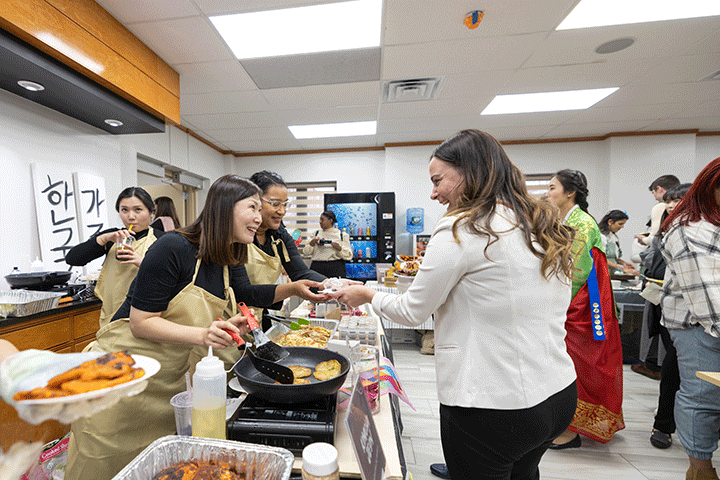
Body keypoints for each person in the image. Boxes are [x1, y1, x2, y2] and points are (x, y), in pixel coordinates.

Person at [332, 130, 578, 480]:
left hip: (493, 404)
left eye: (438, 180)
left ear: (471, 172)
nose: (433, 193)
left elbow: (412, 310)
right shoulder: (538, 223)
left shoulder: (462, 228)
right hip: (557, 393)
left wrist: (367, 294)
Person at [65, 175, 325, 480]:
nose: (260, 217)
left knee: (158, 470)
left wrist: (233, 321)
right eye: (253, 207)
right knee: (101, 466)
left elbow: (244, 295)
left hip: (167, 384)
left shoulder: (228, 255)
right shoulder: (173, 247)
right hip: (120, 379)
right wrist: (203, 334)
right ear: (225, 206)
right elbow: (141, 323)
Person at [545, 169, 625, 448]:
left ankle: (570, 431)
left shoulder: (581, 223)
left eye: (553, 188)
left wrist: (550, 307)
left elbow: (575, 272)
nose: (548, 193)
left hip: (581, 306)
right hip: (575, 301)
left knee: (577, 365)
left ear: (570, 192)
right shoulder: (567, 220)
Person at [660, 157, 720, 480]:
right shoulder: (689, 228)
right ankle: (701, 469)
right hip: (697, 324)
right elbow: (709, 298)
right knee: (703, 396)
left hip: (709, 316)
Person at [247, 171, 346, 329]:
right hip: (232, 320)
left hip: (258, 316)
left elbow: (300, 271)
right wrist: (292, 289)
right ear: (254, 202)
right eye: (275, 204)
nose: (282, 211)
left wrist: (332, 284)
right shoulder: (240, 235)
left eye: (285, 204)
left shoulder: (278, 234)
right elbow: (243, 291)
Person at [638, 183, 691, 449]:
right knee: (672, 370)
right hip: (676, 312)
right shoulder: (669, 232)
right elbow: (653, 261)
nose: (671, 205)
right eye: (669, 201)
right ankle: (663, 425)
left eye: (678, 200)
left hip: (696, 313)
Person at [65, 187, 161, 329]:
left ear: (151, 212)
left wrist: (142, 263)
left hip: (145, 316)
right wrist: (103, 238)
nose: (131, 216)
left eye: (138, 210)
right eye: (124, 210)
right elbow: (73, 259)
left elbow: (174, 278)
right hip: (111, 314)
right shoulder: (112, 237)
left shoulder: (162, 239)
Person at [303, 210, 353, 277]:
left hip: (336, 267)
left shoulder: (342, 235)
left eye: (322, 220)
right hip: (317, 267)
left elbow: (349, 256)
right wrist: (312, 243)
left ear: (330, 220)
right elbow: (306, 252)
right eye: (320, 219)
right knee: (315, 287)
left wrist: (339, 248)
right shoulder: (315, 234)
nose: (320, 222)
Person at [635, 175, 680, 247]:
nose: (655, 198)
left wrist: (643, 240)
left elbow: (655, 239)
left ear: (659, 189)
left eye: (653, 193)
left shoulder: (661, 206)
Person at [598, 210, 639, 275]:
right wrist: (621, 269)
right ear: (610, 222)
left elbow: (613, 258)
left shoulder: (613, 237)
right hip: (601, 272)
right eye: (620, 224)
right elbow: (600, 258)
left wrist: (623, 263)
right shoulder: (600, 236)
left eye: (623, 224)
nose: (622, 227)